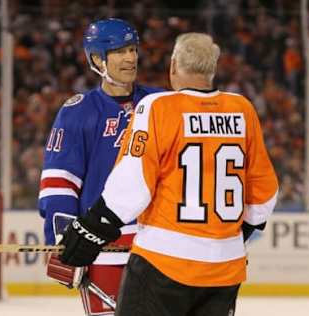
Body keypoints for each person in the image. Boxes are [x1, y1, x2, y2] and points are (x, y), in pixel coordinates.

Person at [57, 32, 279, 315]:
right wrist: (235, 237)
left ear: (173, 66)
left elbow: (133, 184)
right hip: (226, 268)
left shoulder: (158, 106)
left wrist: (91, 229)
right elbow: (264, 193)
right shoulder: (242, 109)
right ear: (211, 69)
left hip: (165, 263)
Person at [38, 18, 162, 315]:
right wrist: (64, 243)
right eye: (120, 51)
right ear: (97, 59)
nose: (131, 58)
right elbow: (59, 184)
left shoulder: (160, 103)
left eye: (133, 49)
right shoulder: (77, 112)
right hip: (103, 250)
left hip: (158, 248)